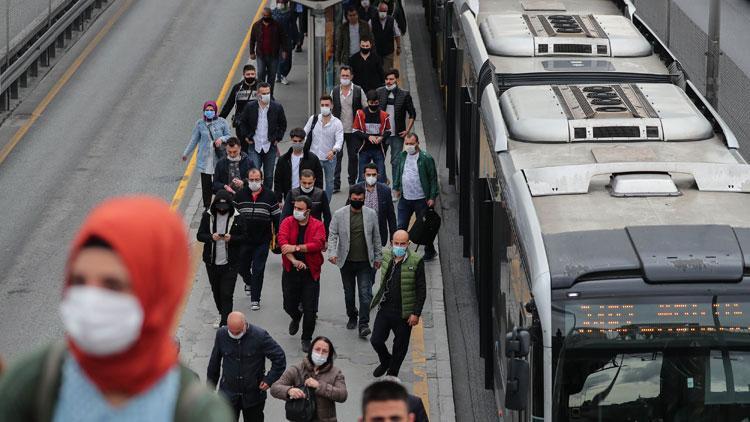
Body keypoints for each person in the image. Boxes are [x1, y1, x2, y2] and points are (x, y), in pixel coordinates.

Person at [0, 197, 233, 421]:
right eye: (79, 281)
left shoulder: (195, 410)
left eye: (112, 285)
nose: (91, 299)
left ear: (157, 293)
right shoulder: (37, 381)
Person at [208, 311, 286, 421]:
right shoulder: (222, 334)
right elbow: (214, 362)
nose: (235, 335)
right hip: (228, 395)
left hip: (253, 396)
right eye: (232, 332)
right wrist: (209, 389)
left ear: (245, 324)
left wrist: (269, 379)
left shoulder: (260, 336)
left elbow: (279, 358)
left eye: (238, 332)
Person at [370, 230, 426, 377]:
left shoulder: (416, 260)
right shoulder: (386, 255)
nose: (399, 246)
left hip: (404, 312)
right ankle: (386, 360)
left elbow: (421, 289)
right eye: (396, 243)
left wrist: (416, 313)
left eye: (402, 244)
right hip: (385, 307)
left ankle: (392, 373)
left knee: (400, 346)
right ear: (391, 243)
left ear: (408, 244)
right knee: (376, 340)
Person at [328, 185, 382, 337]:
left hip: (365, 262)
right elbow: (332, 235)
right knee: (349, 293)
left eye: (360, 199)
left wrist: (378, 257)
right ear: (350, 198)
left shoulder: (371, 214)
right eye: (354, 199)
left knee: (365, 295)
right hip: (346, 262)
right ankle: (352, 315)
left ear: (364, 199)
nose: (357, 201)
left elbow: (376, 237)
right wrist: (332, 253)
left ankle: (363, 324)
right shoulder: (340, 214)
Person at [278, 196, 327, 352]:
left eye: (300, 209)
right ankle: (295, 316)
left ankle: (306, 338)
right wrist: (294, 261)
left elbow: (318, 244)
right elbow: (283, 244)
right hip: (291, 270)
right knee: (288, 304)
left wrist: (297, 248)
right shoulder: (287, 222)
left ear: (308, 211)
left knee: (310, 308)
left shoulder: (318, 225)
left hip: (310, 272)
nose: (296, 211)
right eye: (295, 208)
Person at [234, 169, 281, 310]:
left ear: (261, 179)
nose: (254, 182)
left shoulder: (270, 196)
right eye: (251, 179)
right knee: (241, 267)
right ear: (247, 179)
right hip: (243, 240)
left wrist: (279, 236)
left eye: (257, 179)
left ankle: (255, 298)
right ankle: (249, 282)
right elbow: (233, 216)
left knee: (258, 269)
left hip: (262, 241)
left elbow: (276, 218)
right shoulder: (240, 195)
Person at [270, 336, 348, 422]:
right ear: (311, 350)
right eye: (317, 349)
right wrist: (289, 391)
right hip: (300, 418)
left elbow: (342, 395)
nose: (320, 353)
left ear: (329, 355)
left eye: (325, 351)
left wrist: (319, 386)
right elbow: (274, 388)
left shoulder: (335, 372)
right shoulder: (297, 369)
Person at [198, 190, 244, 327]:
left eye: (225, 208)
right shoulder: (208, 216)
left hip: (230, 263)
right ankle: (222, 314)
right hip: (212, 263)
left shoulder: (238, 217)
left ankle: (226, 322)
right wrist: (211, 237)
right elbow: (200, 235)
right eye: (219, 208)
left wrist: (233, 239)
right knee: (216, 291)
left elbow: (244, 237)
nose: (222, 211)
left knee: (227, 293)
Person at [392, 133, 439, 260]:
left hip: (421, 200)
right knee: (401, 226)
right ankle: (400, 252)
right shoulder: (402, 156)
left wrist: (432, 197)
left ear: (417, 143)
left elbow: (433, 178)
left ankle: (430, 250)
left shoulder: (426, 158)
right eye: (407, 144)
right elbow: (399, 172)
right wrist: (396, 187)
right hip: (405, 199)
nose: (409, 146)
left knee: (424, 228)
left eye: (412, 144)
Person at [182, 101, 232, 209]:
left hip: (218, 158)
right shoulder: (200, 124)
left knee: (218, 184)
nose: (209, 112)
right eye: (207, 110)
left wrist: (221, 139)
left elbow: (229, 136)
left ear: (215, 111)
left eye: (211, 110)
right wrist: (186, 153)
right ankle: (207, 206)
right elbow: (194, 140)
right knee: (206, 186)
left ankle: (220, 203)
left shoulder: (222, 122)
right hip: (204, 160)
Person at [238, 82, 287, 189]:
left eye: (268, 93)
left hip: (270, 146)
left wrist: (277, 138)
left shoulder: (277, 107)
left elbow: (283, 124)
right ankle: (254, 195)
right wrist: (246, 136)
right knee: (254, 174)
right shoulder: (250, 107)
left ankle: (267, 197)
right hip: (254, 145)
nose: (266, 95)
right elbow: (243, 122)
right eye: (264, 93)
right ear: (258, 95)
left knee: (269, 176)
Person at [332, 65, 368, 192]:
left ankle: (352, 181)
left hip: (353, 131)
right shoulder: (335, 91)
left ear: (352, 76)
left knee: (353, 157)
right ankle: (336, 184)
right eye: (343, 76)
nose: (345, 78)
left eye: (347, 76)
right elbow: (331, 109)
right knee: (337, 157)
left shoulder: (358, 91)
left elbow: (365, 108)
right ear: (340, 76)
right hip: (339, 130)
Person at [376, 68, 415, 184]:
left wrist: (407, 130)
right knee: (379, 160)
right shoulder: (379, 92)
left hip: (397, 134)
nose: (388, 81)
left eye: (391, 79)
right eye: (387, 79)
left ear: (396, 79)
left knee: (396, 162)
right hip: (382, 134)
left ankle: (396, 187)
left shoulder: (404, 94)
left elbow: (412, 113)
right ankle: (383, 182)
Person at [303, 95, 344, 201]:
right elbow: (304, 133)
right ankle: (312, 203)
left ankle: (326, 204)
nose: (324, 107)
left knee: (330, 183)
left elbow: (339, 140)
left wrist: (334, 150)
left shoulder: (337, 123)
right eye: (322, 105)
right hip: (314, 157)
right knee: (312, 182)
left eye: (327, 105)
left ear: (331, 106)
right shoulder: (314, 119)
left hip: (329, 158)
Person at [274, 128, 324, 203]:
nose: (297, 143)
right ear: (291, 140)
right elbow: (278, 180)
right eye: (295, 141)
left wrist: (317, 197)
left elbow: (319, 179)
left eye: (300, 141)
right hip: (289, 196)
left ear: (304, 140)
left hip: (308, 196)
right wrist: (279, 199)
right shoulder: (283, 160)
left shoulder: (313, 159)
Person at [353, 163, 396, 246]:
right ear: (363, 175)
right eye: (368, 174)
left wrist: (393, 237)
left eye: (374, 174)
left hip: (379, 233)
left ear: (378, 175)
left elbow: (391, 216)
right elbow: (348, 211)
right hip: (359, 232)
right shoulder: (356, 189)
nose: (371, 177)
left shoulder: (385, 190)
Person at [249, 7, 289, 92]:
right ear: (262, 15)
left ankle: (270, 95)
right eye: (264, 15)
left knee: (271, 76)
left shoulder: (277, 25)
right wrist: (251, 52)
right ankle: (261, 93)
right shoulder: (256, 25)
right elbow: (252, 39)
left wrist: (285, 50)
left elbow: (283, 38)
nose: (266, 17)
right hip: (261, 55)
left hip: (273, 55)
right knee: (260, 74)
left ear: (271, 15)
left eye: (267, 15)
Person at [353, 90, 390, 181]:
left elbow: (388, 131)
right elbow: (355, 131)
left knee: (381, 176)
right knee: (362, 177)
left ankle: (381, 191)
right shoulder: (360, 113)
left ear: (379, 102)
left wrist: (381, 137)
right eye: (371, 103)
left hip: (378, 149)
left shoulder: (384, 115)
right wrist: (368, 137)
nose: (374, 105)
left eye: (376, 103)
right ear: (368, 102)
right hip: (364, 149)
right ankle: (361, 193)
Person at [281, 169, 332, 235]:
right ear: (300, 181)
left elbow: (327, 216)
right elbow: (285, 214)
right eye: (304, 183)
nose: (307, 186)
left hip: (315, 231)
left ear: (314, 180)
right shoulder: (292, 194)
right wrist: (282, 233)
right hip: (294, 230)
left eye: (310, 183)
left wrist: (326, 236)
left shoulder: (321, 194)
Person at [220, 64, 258, 138]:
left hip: (257, 121)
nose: (250, 76)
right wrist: (220, 120)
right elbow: (229, 104)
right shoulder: (237, 88)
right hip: (241, 122)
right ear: (243, 75)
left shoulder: (261, 86)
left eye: (252, 74)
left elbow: (270, 103)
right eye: (248, 74)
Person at [273, 0, 299, 86]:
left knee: (287, 60)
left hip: (287, 39)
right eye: (279, 2)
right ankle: (279, 75)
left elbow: (294, 26)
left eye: (282, 2)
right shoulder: (273, 13)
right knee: (278, 58)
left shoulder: (289, 13)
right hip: (276, 40)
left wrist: (296, 38)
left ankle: (283, 74)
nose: (280, 4)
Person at [372, 2, 402, 72]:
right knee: (377, 71)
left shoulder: (392, 21)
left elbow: (397, 34)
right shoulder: (372, 21)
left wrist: (398, 47)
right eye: (381, 11)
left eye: (384, 11)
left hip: (388, 51)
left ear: (387, 11)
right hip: (376, 52)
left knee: (387, 71)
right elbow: (368, 35)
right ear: (378, 10)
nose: (383, 13)